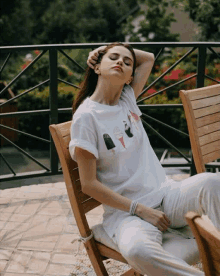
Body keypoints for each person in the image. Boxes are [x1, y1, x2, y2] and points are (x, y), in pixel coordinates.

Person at [69, 42, 220, 276]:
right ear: (97, 68)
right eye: (113, 58)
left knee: (212, 182)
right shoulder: (86, 118)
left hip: (167, 196)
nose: (120, 62)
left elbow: (147, 58)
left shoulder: (127, 99)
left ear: (130, 77)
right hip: (127, 214)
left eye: (127, 62)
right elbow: (88, 184)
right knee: (139, 251)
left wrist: (102, 49)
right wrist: (139, 209)